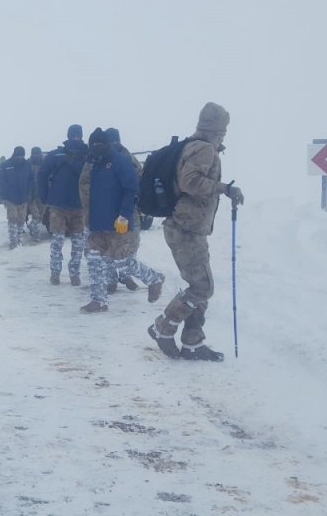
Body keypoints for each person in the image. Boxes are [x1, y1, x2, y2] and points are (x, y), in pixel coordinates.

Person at [147, 102, 244, 361]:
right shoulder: (204, 149)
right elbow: (189, 182)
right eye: (223, 130)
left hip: (189, 226)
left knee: (201, 283)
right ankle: (163, 326)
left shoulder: (194, 145)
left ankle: (193, 342)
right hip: (186, 227)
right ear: (217, 129)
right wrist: (225, 188)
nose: (225, 134)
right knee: (202, 287)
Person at [79, 128, 165, 313]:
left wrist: (124, 215)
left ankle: (154, 278)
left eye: (99, 144)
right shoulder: (93, 163)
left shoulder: (120, 161)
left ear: (107, 144)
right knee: (94, 259)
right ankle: (99, 300)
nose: (96, 148)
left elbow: (131, 189)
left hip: (118, 221)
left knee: (122, 261)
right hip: (96, 222)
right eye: (92, 145)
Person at [38, 125, 88, 285]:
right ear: (68, 136)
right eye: (73, 135)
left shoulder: (87, 154)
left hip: (79, 207)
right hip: (58, 206)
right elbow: (42, 175)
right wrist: (45, 197)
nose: (76, 138)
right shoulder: (56, 154)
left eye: (78, 136)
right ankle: (55, 272)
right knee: (58, 241)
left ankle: (74, 273)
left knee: (78, 243)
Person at [105, 127, 143, 293]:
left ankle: (126, 274)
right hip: (109, 208)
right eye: (111, 140)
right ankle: (111, 278)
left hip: (130, 208)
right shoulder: (101, 159)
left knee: (132, 242)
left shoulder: (130, 158)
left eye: (116, 140)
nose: (114, 143)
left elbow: (141, 179)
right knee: (110, 244)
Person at [0, 147, 33, 249]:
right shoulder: (6, 165)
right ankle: (13, 242)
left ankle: (19, 239)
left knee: (21, 219)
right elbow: (0, 180)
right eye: (18, 155)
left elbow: (31, 178)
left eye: (21, 155)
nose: (19, 157)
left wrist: (28, 189)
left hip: (23, 197)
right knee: (12, 218)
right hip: (10, 198)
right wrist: (5, 193)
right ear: (14, 154)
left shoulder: (27, 165)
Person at [27, 147, 46, 240]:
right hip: (31, 195)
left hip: (42, 194)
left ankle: (32, 226)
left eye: (38, 154)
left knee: (41, 215)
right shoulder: (27, 164)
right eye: (34, 154)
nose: (36, 156)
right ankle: (36, 235)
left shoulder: (45, 164)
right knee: (36, 215)